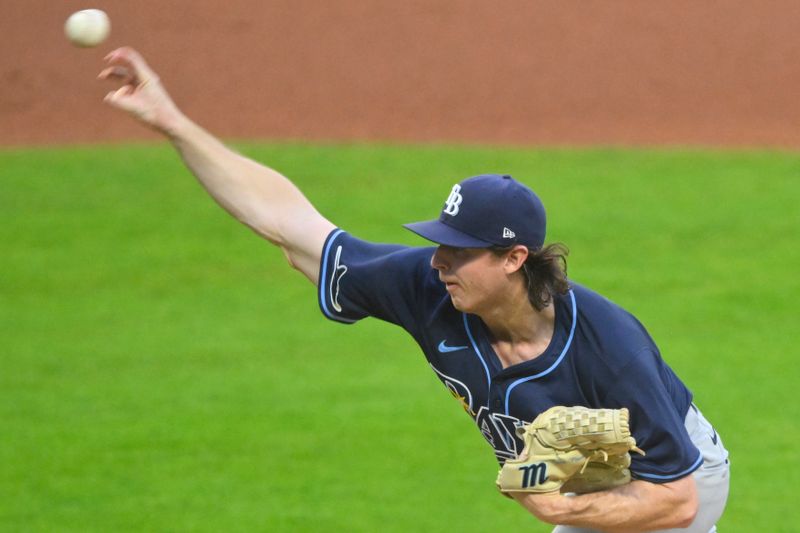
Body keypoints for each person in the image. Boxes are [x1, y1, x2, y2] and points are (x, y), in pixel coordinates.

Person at [99, 47, 730, 533]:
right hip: (583, 444)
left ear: (514, 258)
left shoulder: (610, 347)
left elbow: (677, 500)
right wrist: (174, 124)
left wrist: (550, 504)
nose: (438, 262)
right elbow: (294, 229)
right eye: (438, 243)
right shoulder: (427, 287)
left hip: (673, 470)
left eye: (459, 250)